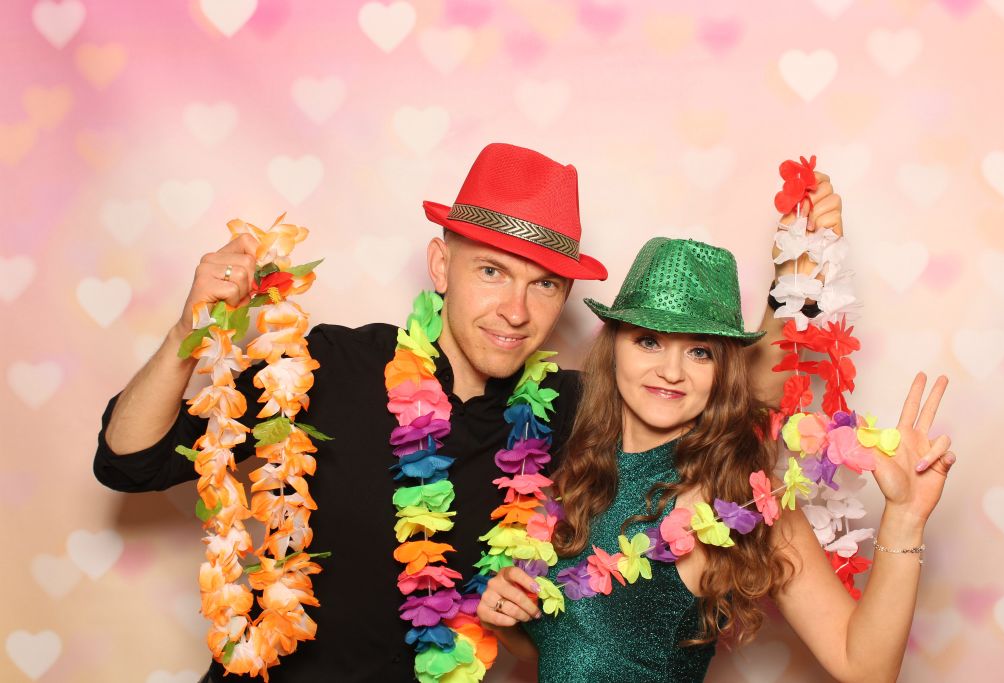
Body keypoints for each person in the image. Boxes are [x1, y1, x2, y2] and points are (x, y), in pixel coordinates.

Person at [92, 142, 833, 681]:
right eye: (492, 271)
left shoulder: (572, 415)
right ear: (441, 265)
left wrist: (802, 262)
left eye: (545, 285)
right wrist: (190, 330)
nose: (516, 310)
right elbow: (130, 461)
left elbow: (721, 385)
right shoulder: (327, 365)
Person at [476, 236, 954, 682]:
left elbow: (864, 666)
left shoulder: (735, 499)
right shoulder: (576, 471)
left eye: (699, 352)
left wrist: (905, 519)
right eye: (649, 340)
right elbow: (569, 647)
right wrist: (506, 617)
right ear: (614, 345)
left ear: (723, 370)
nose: (671, 371)